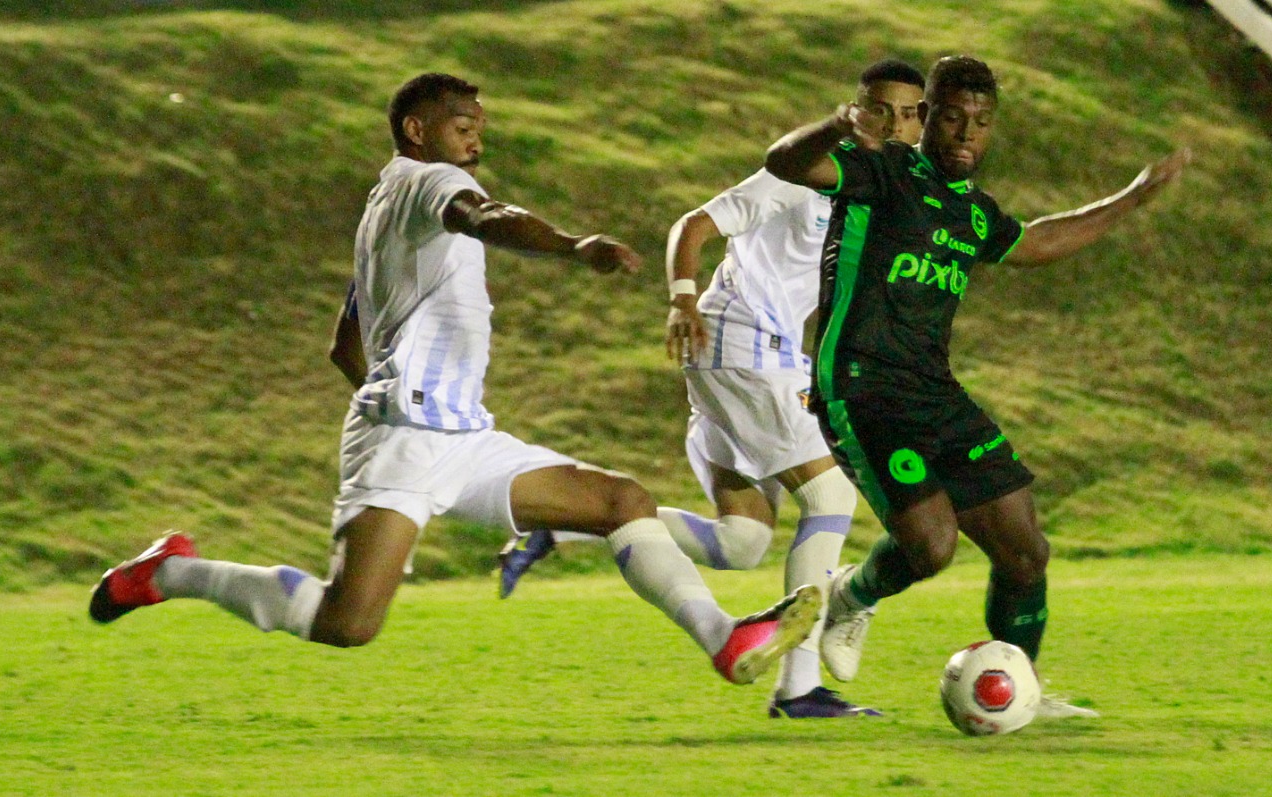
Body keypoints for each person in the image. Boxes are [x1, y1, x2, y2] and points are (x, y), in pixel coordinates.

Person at [90, 72, 822, 690]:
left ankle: (725, 638)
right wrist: (574, 247)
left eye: (479, 126)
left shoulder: (387, 210)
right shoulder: (429, 184)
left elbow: (345, 343)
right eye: (463, 125)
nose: (476, 139)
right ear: (416, 128)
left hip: (460, 435)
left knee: (621, 499)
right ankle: (167, 573)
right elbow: (486, 215)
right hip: (407, 437)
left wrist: (396, 392)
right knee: (346, 622)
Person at [498, 60, 926, 719]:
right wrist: (681, 300)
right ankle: (800, 688)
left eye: (909, 113)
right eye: (881, 109)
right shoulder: (804, 171)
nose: (895, 125)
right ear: (855, 110)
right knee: (830, 491)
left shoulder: (883, 195)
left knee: (742, 539)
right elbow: (693, 225)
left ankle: (567, 528)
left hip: (758, 357)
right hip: (736, 340)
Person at [764, 55, 1190, 717]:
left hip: (935, 391)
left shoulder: (972, 213)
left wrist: (1133, 197)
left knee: (1025, 550)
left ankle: (1022, 687)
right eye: (954, 118)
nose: (966, 134)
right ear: (928, 118)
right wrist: (839, 124)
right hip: (863, 387)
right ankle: (852, 594)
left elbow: (1039, 241)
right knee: (932, 548)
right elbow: (785, 162)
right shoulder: (883, 171)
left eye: (981, 123)